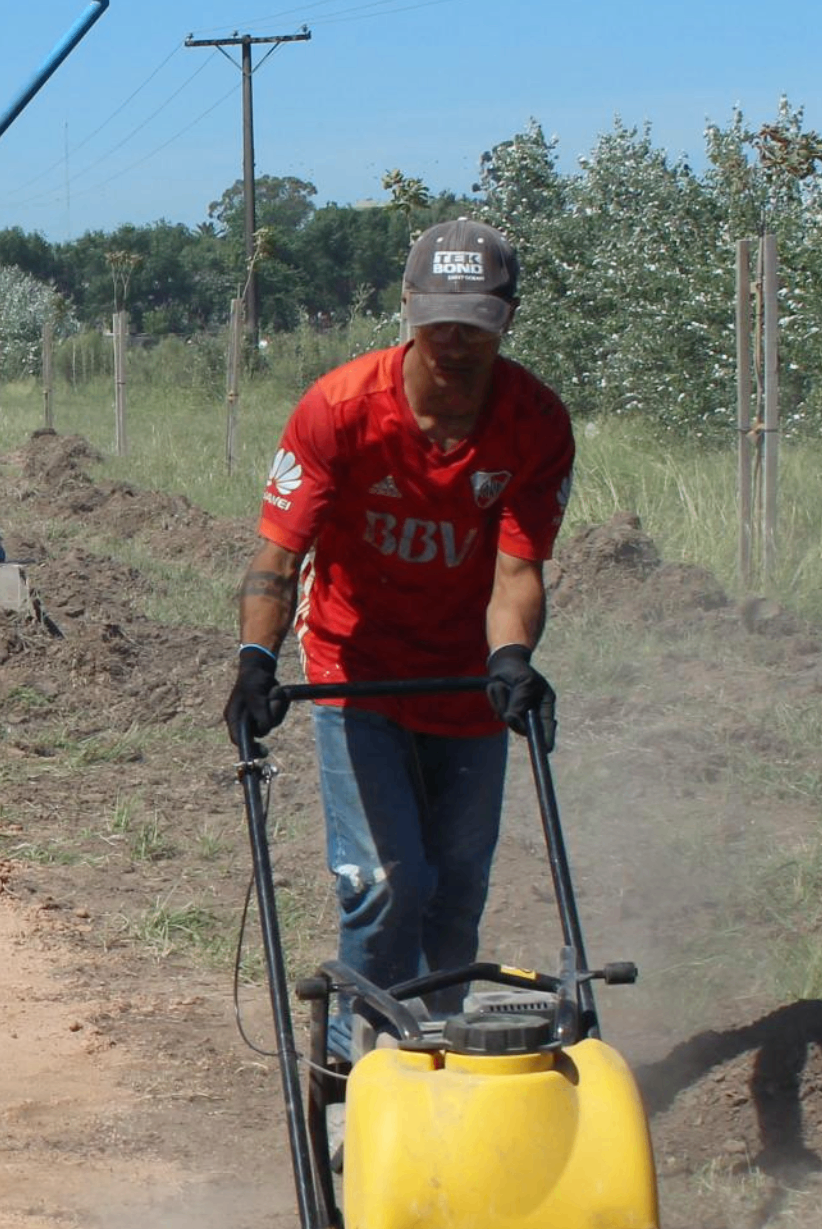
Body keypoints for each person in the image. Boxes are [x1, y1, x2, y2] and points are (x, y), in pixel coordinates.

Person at [221, 218, 577, 1062]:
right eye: (441, 320)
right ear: (409, 312)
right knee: (388, 885)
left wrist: (512, 660)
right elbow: (279, 556)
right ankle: (350, 1070)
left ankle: (432, 1057)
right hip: (358, 673)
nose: (457, 341)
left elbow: (517, 573)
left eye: (477, 322)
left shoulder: (533, 421)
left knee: (456, 897)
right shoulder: (341, 410)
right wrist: (256, 663)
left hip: (465, 683)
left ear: (508, 318)